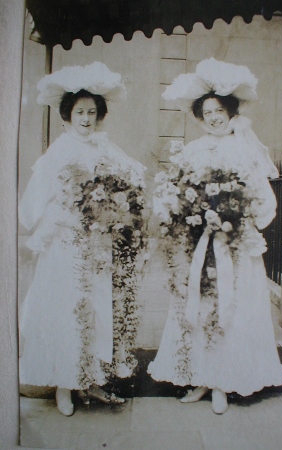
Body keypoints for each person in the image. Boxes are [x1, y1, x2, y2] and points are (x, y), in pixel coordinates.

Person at [148, 58, 282, 414]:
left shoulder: (246, 151)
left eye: (220, 110)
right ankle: (199, 378)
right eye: (207, 111)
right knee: (199, 307)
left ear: (231, 111)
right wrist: (186, 218)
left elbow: (264, 200)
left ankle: (225, 381)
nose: (214, 117)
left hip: (234, 246)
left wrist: (236, 221)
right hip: (199, 245)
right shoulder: (191, 151)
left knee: (232, 310)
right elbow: (174, 196)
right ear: (199, 114)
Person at [19, 62, 146, 416]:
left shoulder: (107, 150)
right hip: (65, 246)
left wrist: (120, 210)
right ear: (68, 115)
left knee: (97, 313)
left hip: (98, 248)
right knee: (66, 310)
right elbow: (31, 205)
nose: (87, 119)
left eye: (92, 112)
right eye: (80, 112)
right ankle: (63, 385)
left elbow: (132, 185)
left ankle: (89, 380)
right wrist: (60, 216)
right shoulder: (57, 153)